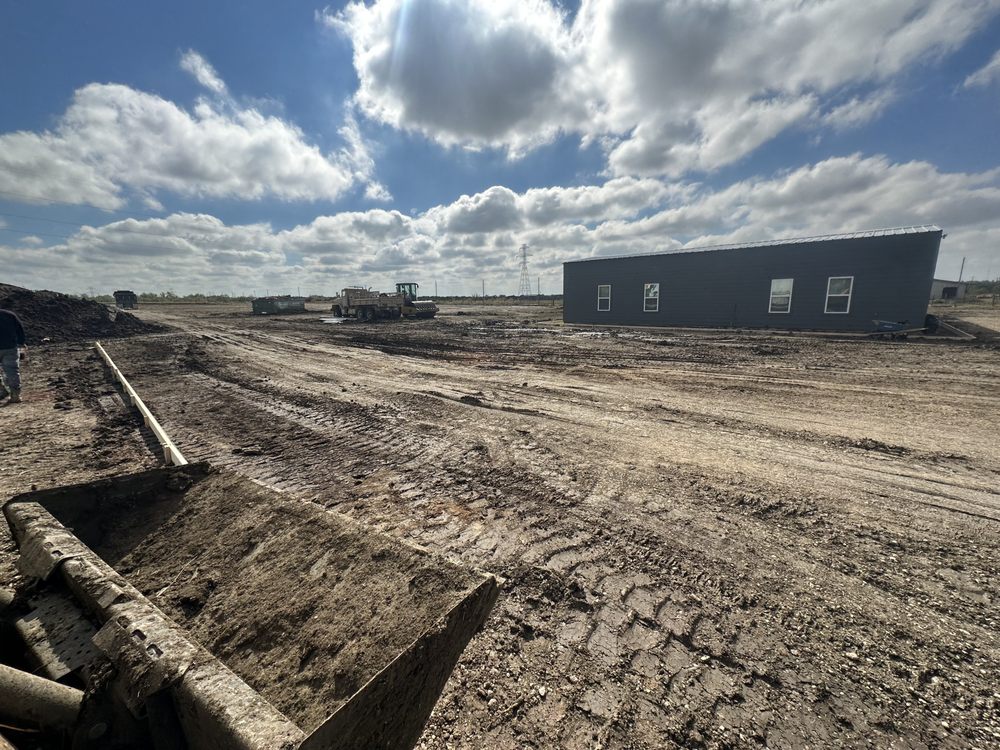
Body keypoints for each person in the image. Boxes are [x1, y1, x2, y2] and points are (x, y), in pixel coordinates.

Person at [0, 308, 26, 404]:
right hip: (10, 347)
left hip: (9, 347)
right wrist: (21, 344)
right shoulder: (10, 315)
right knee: (12, 371)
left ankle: (2, 391)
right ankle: (15, 395)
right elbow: (20, 329)